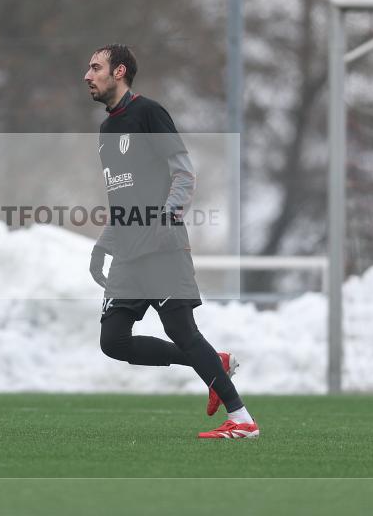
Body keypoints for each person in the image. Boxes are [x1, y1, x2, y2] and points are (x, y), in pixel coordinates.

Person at [84, 44, 258, 439]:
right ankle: (214, 363)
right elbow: (123, 197)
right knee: (114, 341)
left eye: (95, 67)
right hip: (128, 252)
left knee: (182, 332)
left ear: (119, 71)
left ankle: (242, 419)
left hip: (161, 247)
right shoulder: (106, 130)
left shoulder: (149, 113)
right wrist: (104, 244)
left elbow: (184, 173)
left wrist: (166, 217)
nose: (87, 75)